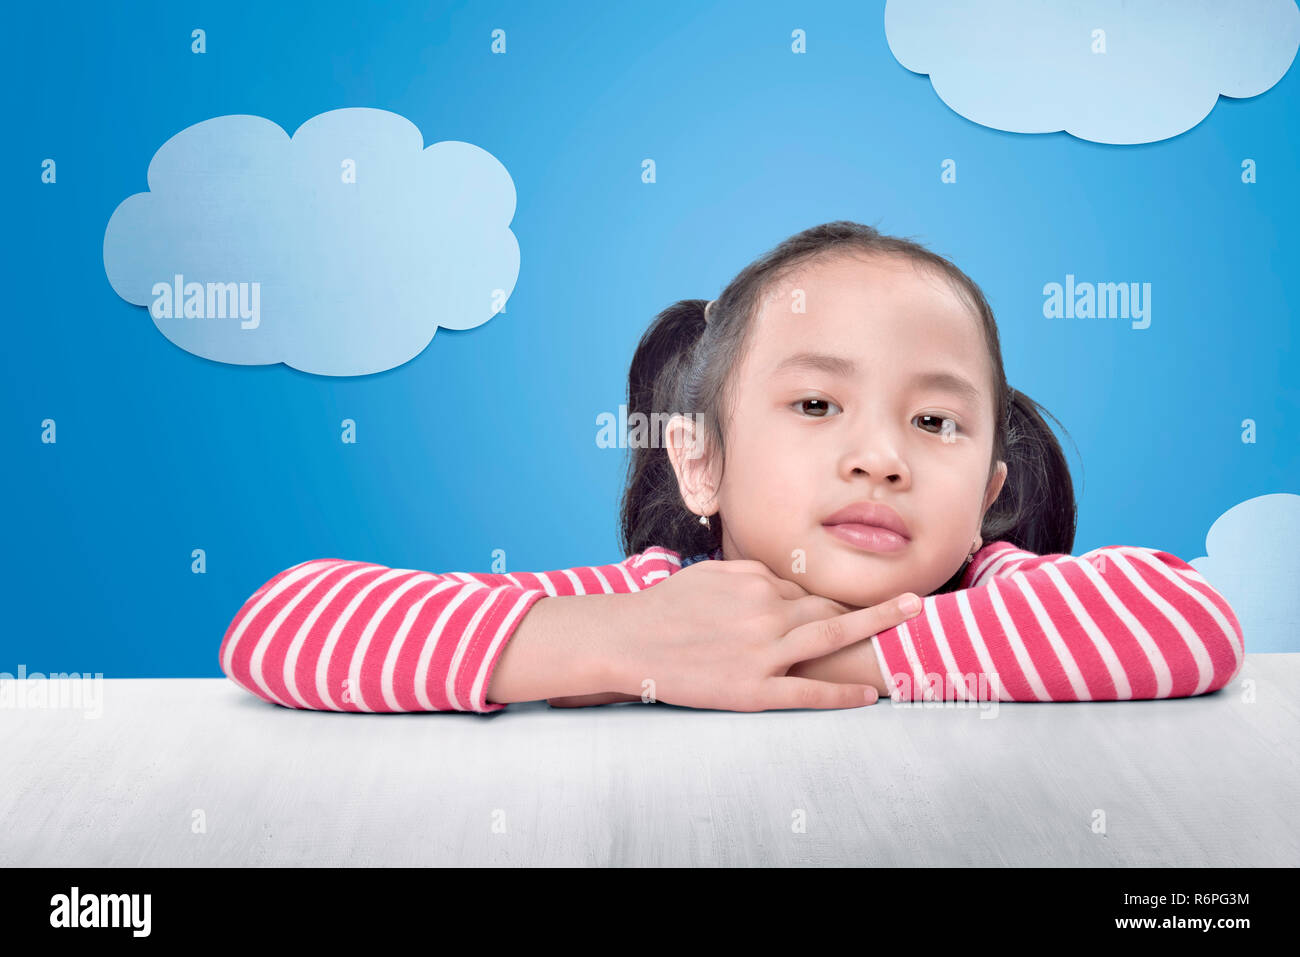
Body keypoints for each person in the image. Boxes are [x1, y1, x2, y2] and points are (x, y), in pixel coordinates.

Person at [218, 221, 1244, 713]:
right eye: (813, 404)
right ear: (698, 465)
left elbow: (1195, 622)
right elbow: (282, 624)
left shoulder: (1006, 595)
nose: (880, 458)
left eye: (934, 421)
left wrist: (806, 656)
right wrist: (624, 647)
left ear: (986, 499)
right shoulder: (650, 606)